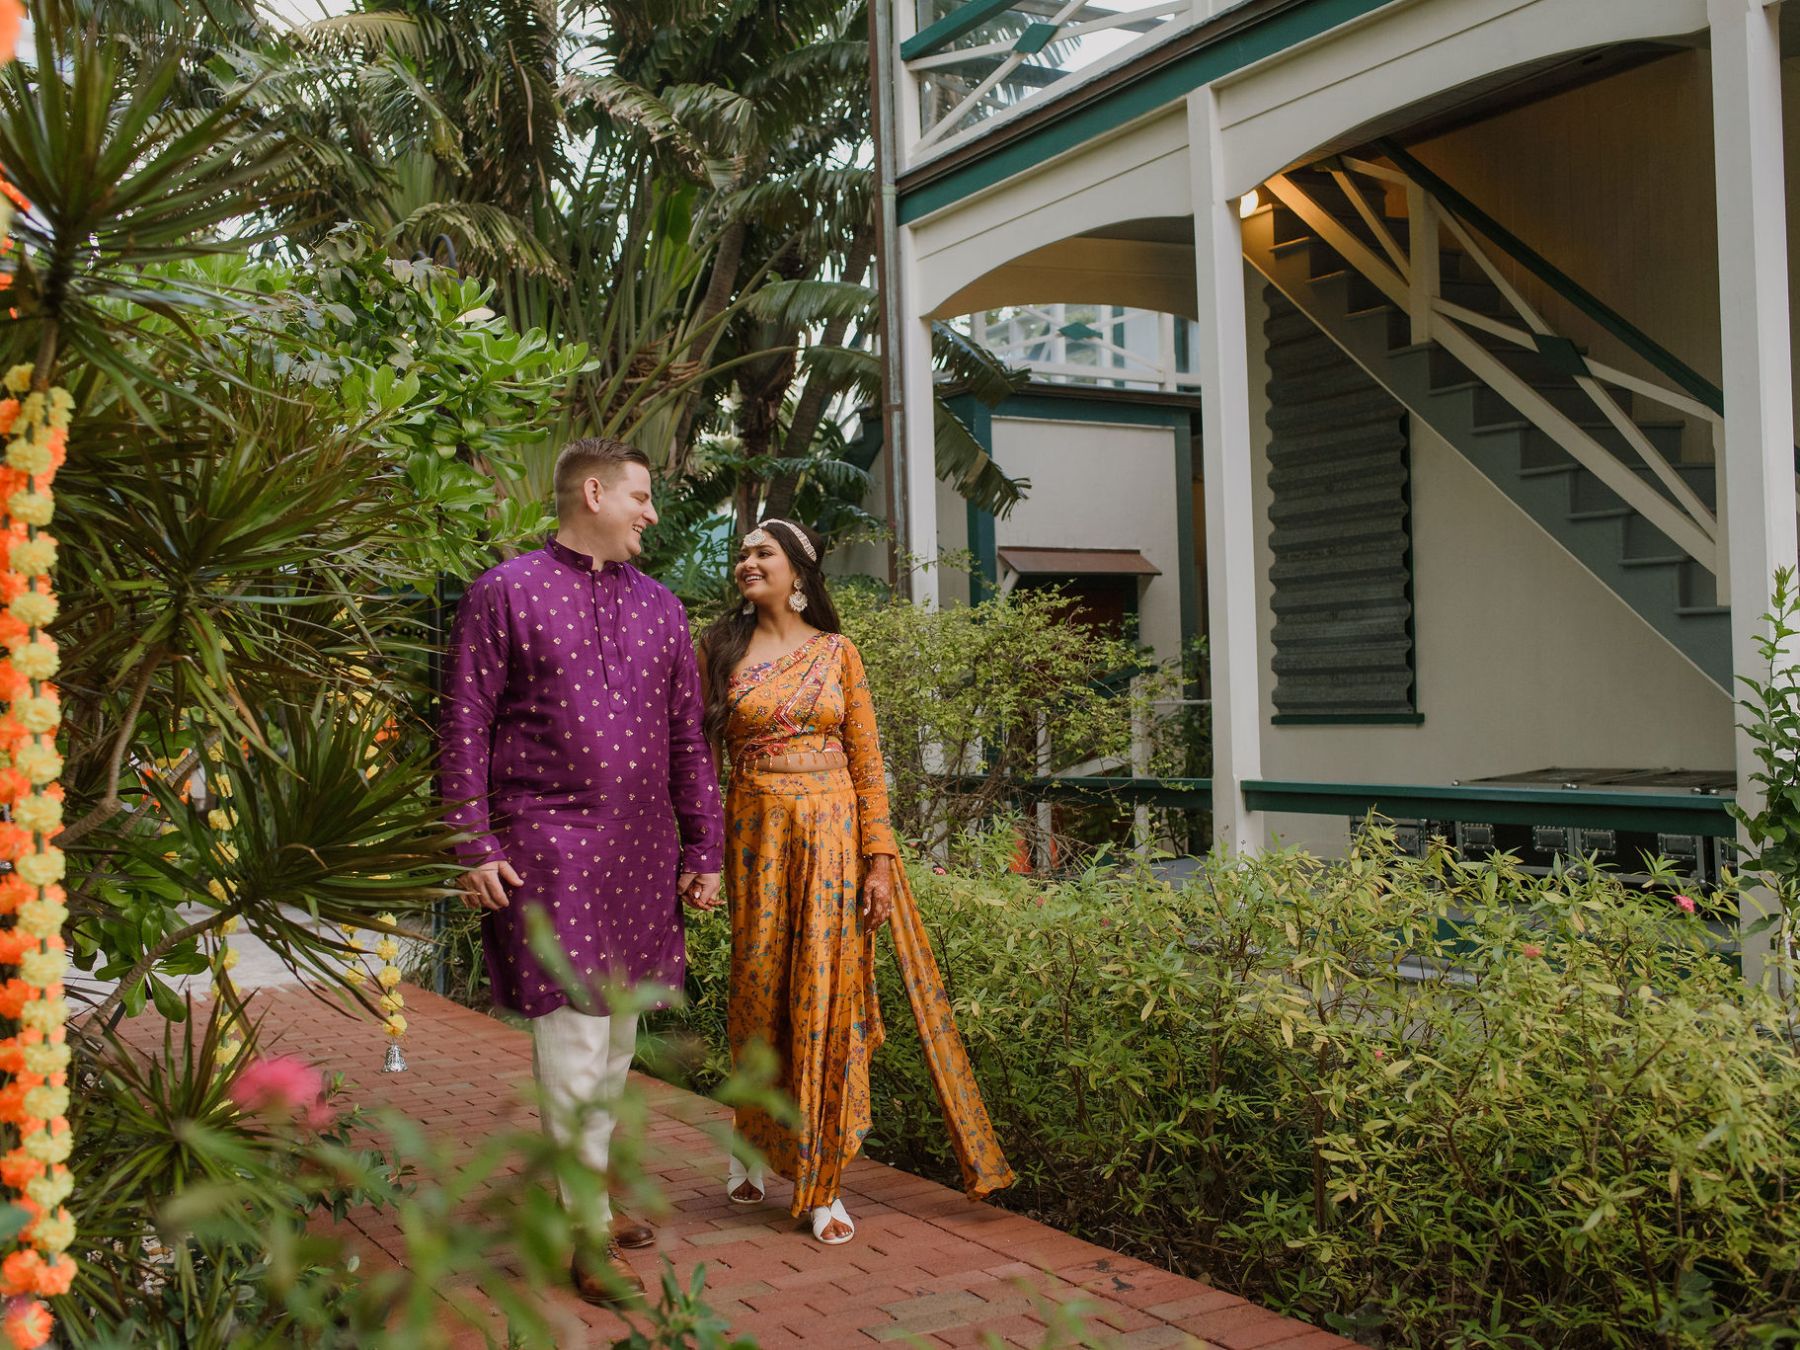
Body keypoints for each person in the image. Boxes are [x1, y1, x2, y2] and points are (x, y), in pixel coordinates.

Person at [438, 435, 725, 1304]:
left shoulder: (663, 608)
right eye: (641, 496)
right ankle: (586, 1235)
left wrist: (704, 849)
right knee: (574, 1038)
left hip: (642, 853)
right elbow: (464, 722)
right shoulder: (505, 593)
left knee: (617, 1040)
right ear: (593, 493)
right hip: (548, 846)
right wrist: (472, 841)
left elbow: (687, 738)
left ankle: (584, 1192)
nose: (651, 514)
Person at [697, 518, 1013, 1246]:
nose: (747, 562)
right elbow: (700, 762)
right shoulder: (717, 649)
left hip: (834, 843)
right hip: (756, 839)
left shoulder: (838, 653)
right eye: (742, 554)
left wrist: (879, 860)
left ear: (798, 571)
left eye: (763, 553)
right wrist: (702, 853)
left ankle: (823, 1182)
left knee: (824, 1000)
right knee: (758, 995)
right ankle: (752, 1141)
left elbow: (868, 764)